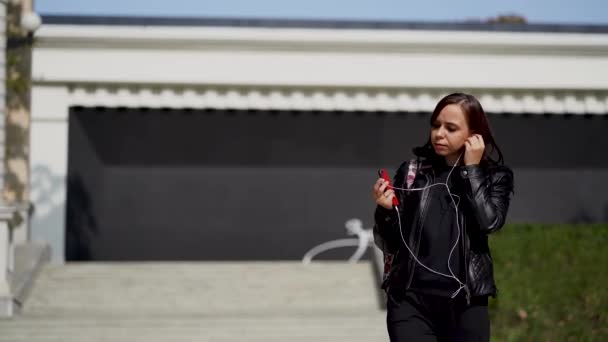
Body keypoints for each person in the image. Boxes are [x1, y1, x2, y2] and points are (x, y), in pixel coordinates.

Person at [371, 93, 514, 342]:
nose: (439, 134)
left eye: (451, 128)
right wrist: (384, 210)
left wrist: (472, 171)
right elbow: (390, 240)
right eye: (436, 125)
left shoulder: (495, 177)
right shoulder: (413, 172)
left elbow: (490, 222)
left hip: (466, 302)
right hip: (410, 300)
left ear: (474, 134)